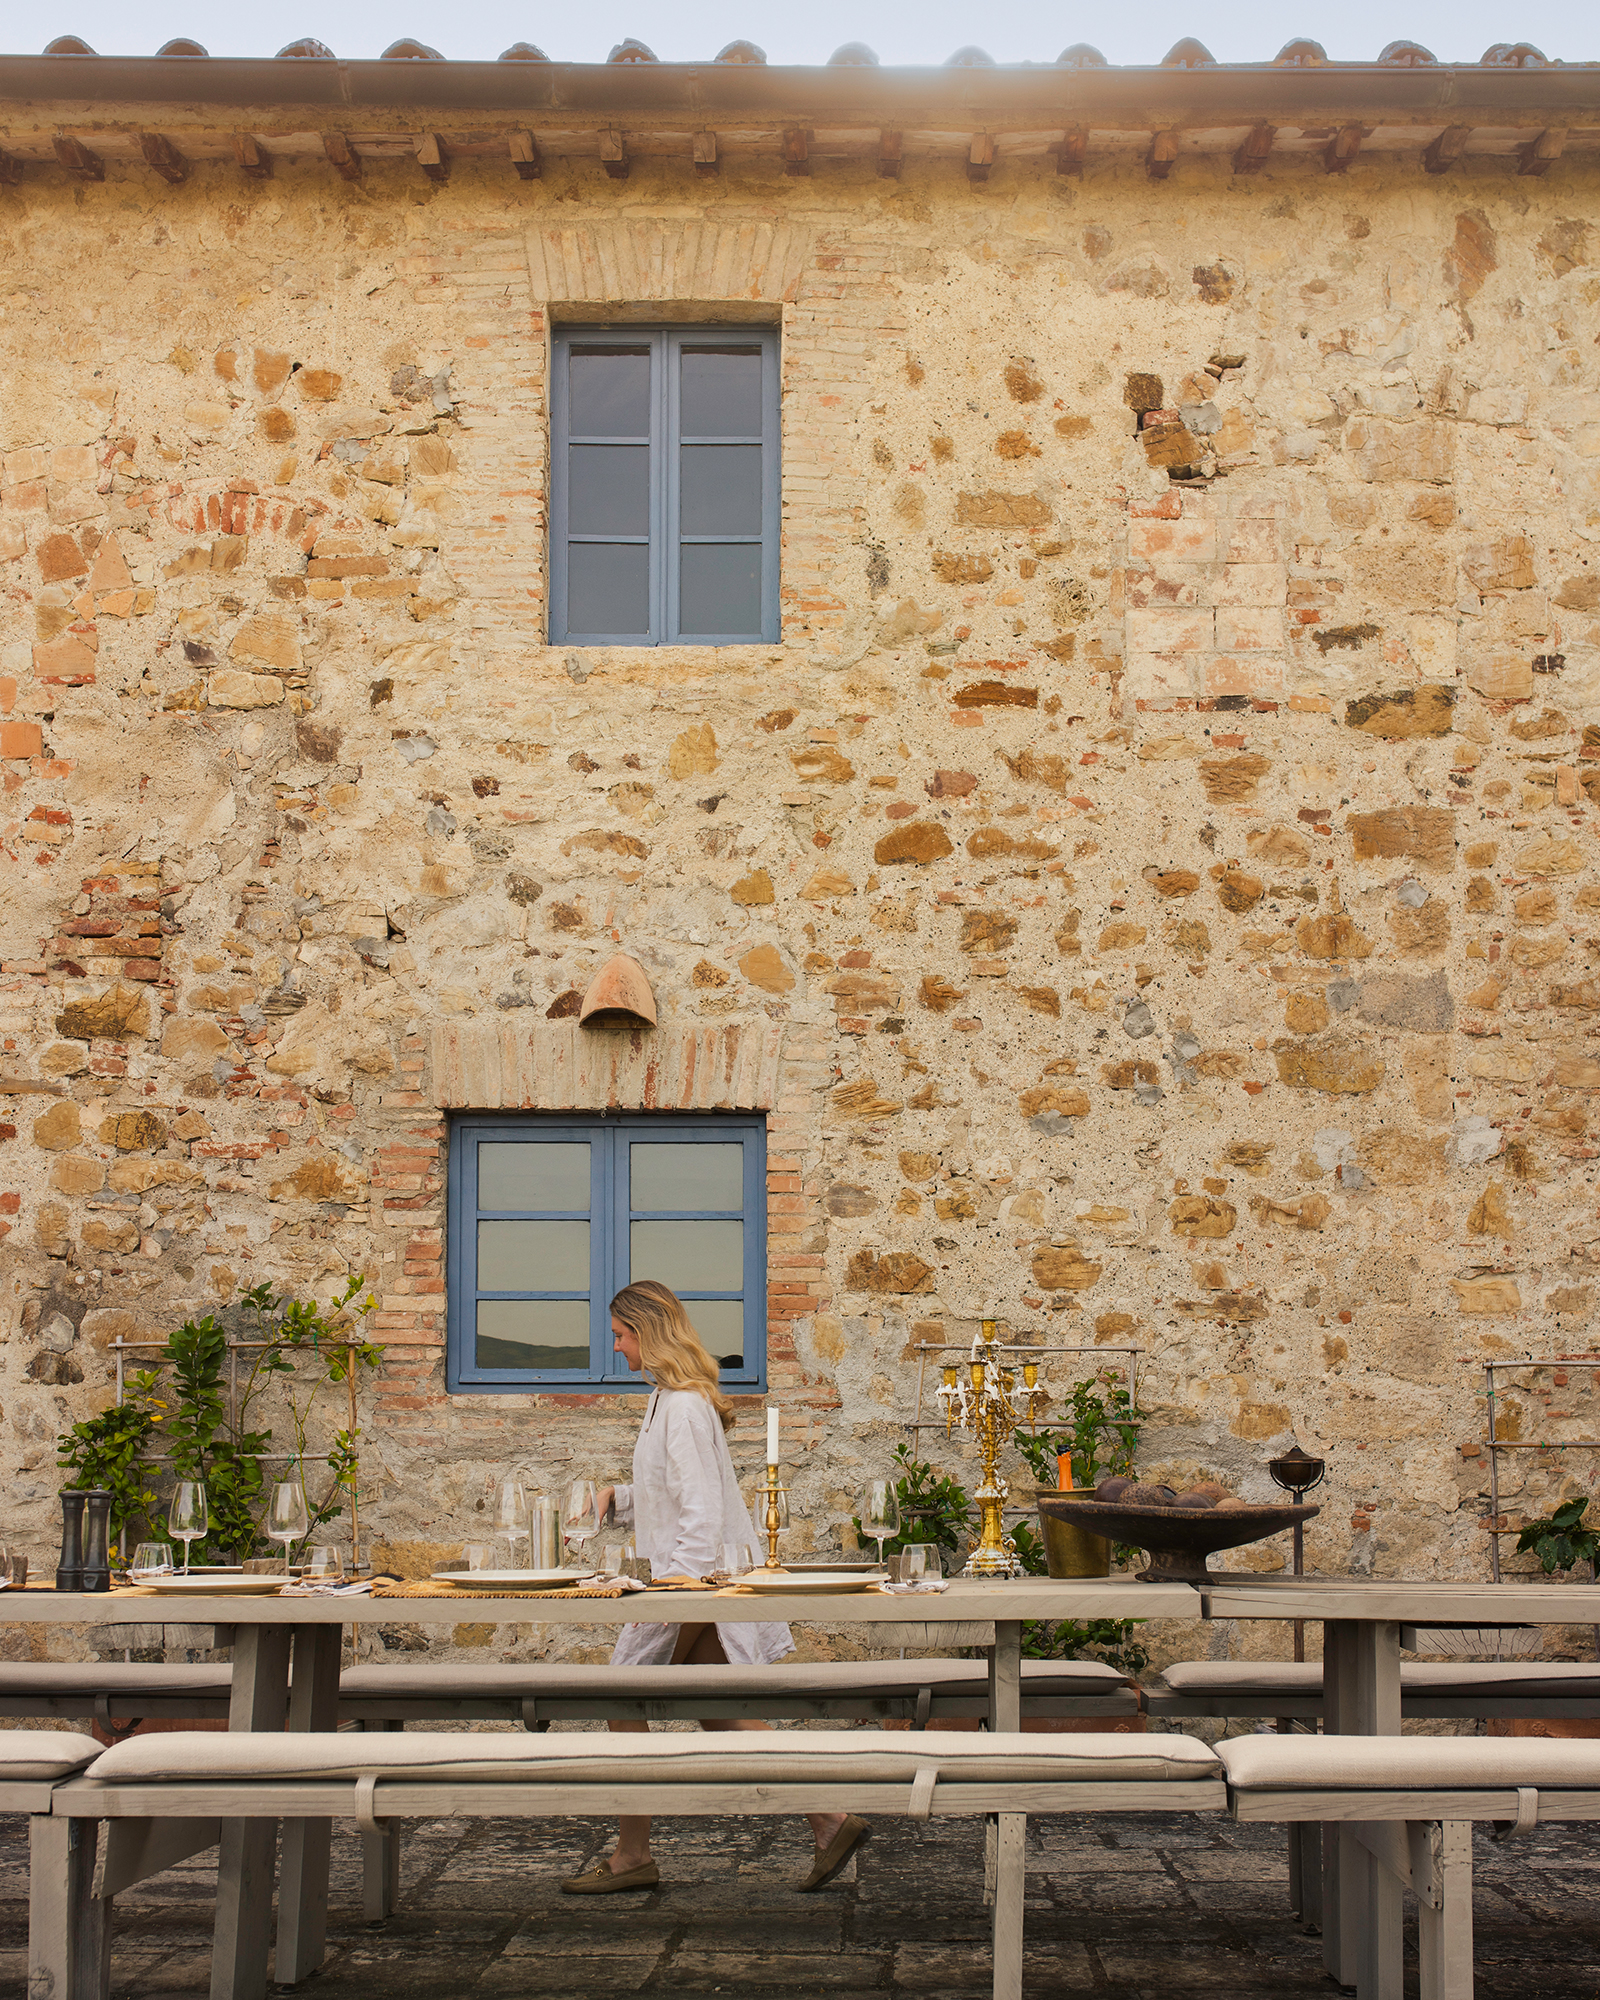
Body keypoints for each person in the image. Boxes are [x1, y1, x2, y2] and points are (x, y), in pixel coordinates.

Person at [560, 1278, 869, 1895]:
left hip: (694, 1579)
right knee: (718, 1710)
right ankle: (830, 1821)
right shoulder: (665, 1400)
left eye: (621, 1335)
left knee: (620, 1698)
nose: (616, 1348)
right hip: (693, 1576)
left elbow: (701, 1509)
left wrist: (685, 1587)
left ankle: (632, 1857)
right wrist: (612, 1500)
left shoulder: (682, 1407)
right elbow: (670, 1496)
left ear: (648, 1332)